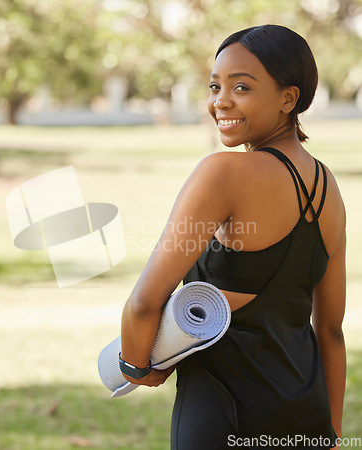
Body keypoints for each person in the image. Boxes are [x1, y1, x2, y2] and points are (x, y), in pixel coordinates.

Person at [119, 25, 346, 449]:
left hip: (222, 417)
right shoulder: (329, 189)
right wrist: (330, 435)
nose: (220, 100)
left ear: (288, 98)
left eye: (241, 86)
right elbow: (330, 330)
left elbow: (145, 301)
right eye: (214, 86)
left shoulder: (223, 173)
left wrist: (133, 366)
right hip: (305, 418)